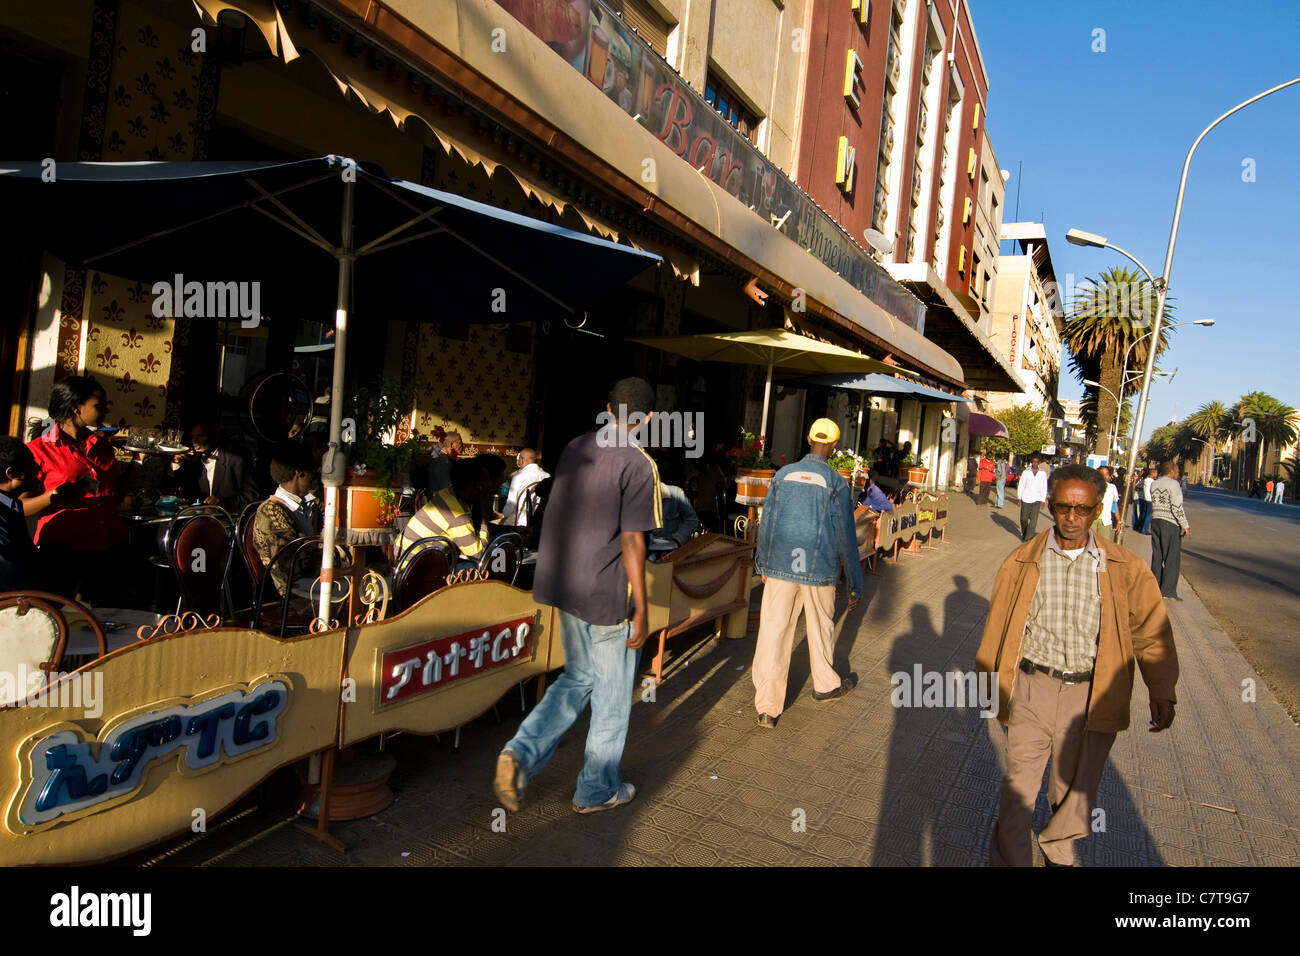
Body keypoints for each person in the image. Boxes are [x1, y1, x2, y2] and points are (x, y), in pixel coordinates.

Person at [977, 464, 1178, 867]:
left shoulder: (1124, 567)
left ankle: (1059, 850)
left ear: (1097, 510)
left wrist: (1162, 689)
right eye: (1063, 508)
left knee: (1072, 791)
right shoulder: (1022, 560)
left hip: (1091, 694)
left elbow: (1150, 631)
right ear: (1050, 505)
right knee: (1018, 787)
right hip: (1033, 687)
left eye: (1082, 509)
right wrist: (990, 686)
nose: (1071, 518)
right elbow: (998, 626)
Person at [493, 377, 661, 815]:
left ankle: (520, 753)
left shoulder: (574, 447)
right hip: (606, 594)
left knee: (577, 678)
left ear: (607, 406)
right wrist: (641, 608)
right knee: (611, 693)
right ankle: (595, 789)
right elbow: (632, 541)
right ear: (648, 419)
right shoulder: (639, 464)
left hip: (563, 583)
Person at [751, 418, 863, 729]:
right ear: (834, 446)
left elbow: (766, 524)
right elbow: (845, 536)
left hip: (781, 565)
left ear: (808, 438)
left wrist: (763, 564)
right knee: (820, 627)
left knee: (773, 632)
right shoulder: (836, 482)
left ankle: (767, 708)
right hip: (819, 568)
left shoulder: (782, 475)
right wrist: (855, 583)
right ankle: (825, 685)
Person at [22, 376, 132, 605]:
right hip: (62, 552)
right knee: (54, 619)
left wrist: (137, 467)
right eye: (99, 405)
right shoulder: (38, 451)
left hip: (108, 547)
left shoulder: (103, 447)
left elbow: (113, 495)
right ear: (76, 408)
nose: (105, 410)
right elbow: (20, 506)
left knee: (108, 620)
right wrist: (52, 496)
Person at [252, 443, 321, 601]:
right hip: (294, 593)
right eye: (312, 470)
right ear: (300, 473)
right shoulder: (270, 512)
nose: (316, 474)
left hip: (319, 581)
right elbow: (289, 565)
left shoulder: (312, 504)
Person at [402, 458, 489, 566]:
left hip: (406, 558)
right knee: (488, 569)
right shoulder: (457, 515)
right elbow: (480, 556)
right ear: (472, 486)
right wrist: (484, 517)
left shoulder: (447, 494)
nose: (483, 492)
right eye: (482, 487)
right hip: (415, 570)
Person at [169, 423, 260, 511]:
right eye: (193, 436)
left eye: (200, 436)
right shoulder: (194, 460)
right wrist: (177, 463)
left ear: (213, 437)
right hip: (199, 518)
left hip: (227, 519)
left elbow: (251, 495)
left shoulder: (235, 460)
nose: (195, 441)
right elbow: (177, 487)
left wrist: (223, 502)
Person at [0, 437, 40, 592]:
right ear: (11, 473)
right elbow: (10, 572)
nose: (37, 469)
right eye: (30, 466)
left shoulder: (12, 506)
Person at [1149, 461, 1190, 600]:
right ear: (1171, 471)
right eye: (1177, 472)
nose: (1178, 474)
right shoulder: (1174, 485)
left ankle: (1154, 588)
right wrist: (1184, 524)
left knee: (1157, 556)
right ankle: (1168, 591)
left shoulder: (1155, 483)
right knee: (1172, 558)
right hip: (1170, 523)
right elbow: (1176, 506)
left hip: (1155, 521)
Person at [501, 448, 548, 526]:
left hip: (521, 522)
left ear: (522, 460)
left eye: (518, 460)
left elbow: (511, 504)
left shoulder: (518, 477)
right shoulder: (546, 476)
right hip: (540, 522)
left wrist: (504, 515)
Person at [1016, 455, 1048, 541]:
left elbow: (1044, 487)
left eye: (1036, 462)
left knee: (1033, 523)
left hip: (1037, 500)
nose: (1035, 463)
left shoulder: (1042, 473)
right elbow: (1021, 485)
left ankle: (1027, 539)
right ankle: (1025, 532)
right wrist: (1019, 498)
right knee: (1023, 519)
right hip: (1026, 498)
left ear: (1039, 463)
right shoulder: (1026, 472)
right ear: (1031, 462)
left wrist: (1043, 500)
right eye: (1033, 462)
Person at [426, 429, 463, 497]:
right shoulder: (442, 461)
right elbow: (445, 487)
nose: (460, 447)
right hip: (438, 502)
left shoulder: (442, 458)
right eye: (459, 443)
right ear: (453, 445)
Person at [1092, 465, 1119, 542]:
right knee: (1090, 543)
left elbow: (1114, 505)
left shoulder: (1112, 488)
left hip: (1105, 521)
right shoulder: (1091, 486)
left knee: (1103, 545)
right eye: (1101, 474)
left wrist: (1118, 520)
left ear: (1109, 476)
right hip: (1091, 520)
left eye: (1106, 474)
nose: (1104, 476)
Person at [1140, 467, 1157, 534]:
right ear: (1152, 473)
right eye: (1156, 473)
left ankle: (1142, 528)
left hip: (1145, 498)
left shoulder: (1146, 480)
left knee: (1145, 514)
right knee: (1149, 515)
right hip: (1150, 499)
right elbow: (1152, 490)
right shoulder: (1151, 481)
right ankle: (1145, 530)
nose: (1156, 474)